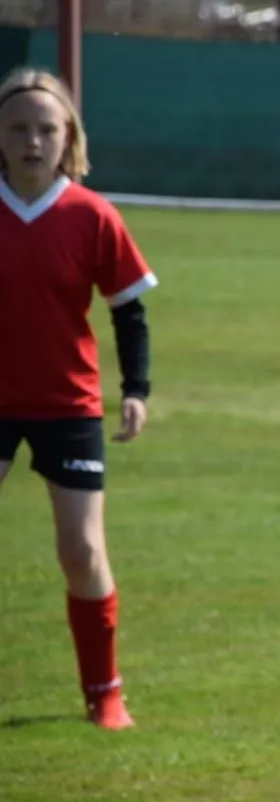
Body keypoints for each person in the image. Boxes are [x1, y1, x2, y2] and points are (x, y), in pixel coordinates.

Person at [0, 68, 158, 731]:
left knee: (82, 552)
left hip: (68, 404)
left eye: (46, 128)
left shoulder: (91, 215)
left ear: (69, 137)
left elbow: (129, 311)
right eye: (18, 128)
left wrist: (136, 391)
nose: (32, 141)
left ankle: (105, 692)